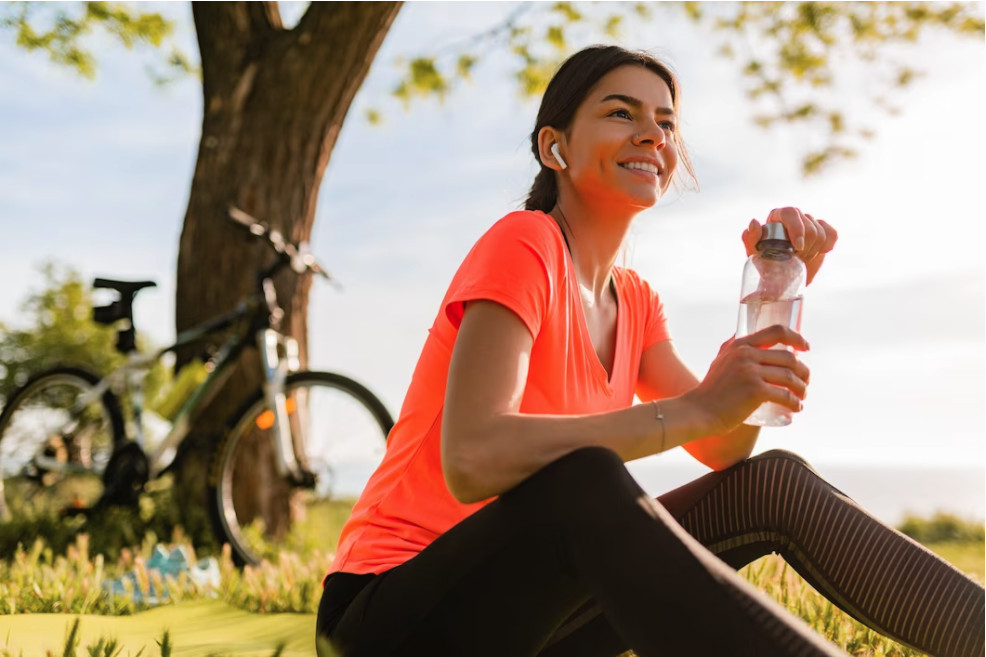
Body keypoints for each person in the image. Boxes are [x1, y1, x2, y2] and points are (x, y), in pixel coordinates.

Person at [315, 45, 985, 657]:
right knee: (584, 476)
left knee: (770, 479)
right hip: (391, 617)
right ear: (556, 148)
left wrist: (774, 294)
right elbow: (472, 456)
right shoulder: (526, 243)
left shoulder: (636, 301)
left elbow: (725, 447)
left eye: (666, 122)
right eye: (620, 112)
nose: (652, 134)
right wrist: (695, 409)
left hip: (535, 626)